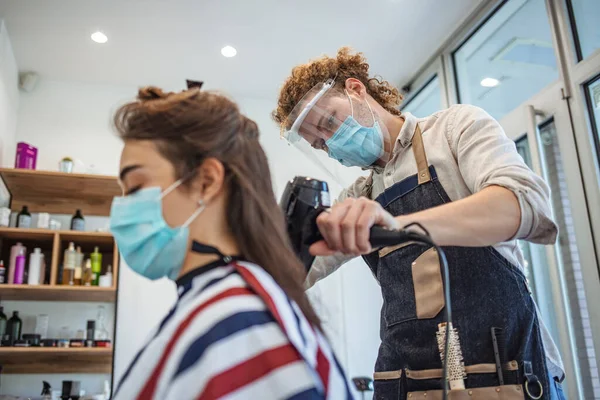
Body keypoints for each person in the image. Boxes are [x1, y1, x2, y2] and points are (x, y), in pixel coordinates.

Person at [272, 48, 566, 399]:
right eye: (320, 144)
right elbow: (290, 275)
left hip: (508, 372)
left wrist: (396, 224)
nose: (332, 143)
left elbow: (523, 203)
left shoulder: (455, 129)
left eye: (330, 123)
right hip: (412, 385)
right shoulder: (357, 195)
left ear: (355, 89)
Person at [110, 85, 354, 399]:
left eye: (134, 186)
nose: (122, 208)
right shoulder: (224, 306)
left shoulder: (240, 323)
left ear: (207, 181)